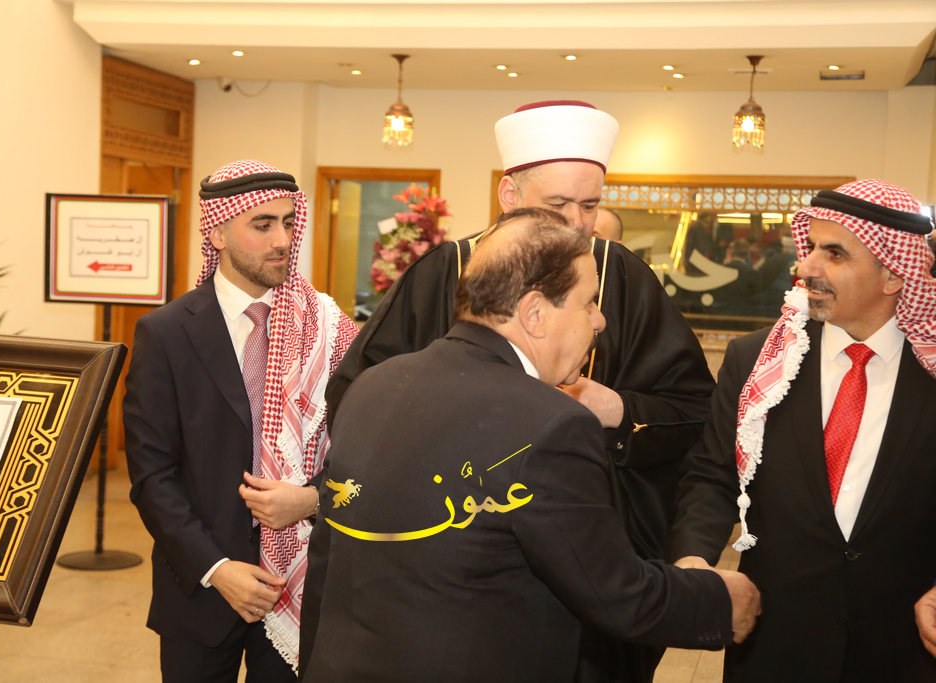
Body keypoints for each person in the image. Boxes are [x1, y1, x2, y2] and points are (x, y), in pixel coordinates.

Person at [325, 99, 715, 682]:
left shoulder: (625, 277)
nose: (577, 223)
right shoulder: (446, 272)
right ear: (509, 195)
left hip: (591, 559)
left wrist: (614, 409)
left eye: (590, 205)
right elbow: (362, 399)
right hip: (452, 555)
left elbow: (695, 412)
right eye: (557, 205)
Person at [668, 179, 936, 681]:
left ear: (893, 274)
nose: (806, 267)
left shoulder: (931, 370)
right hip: (775, 642)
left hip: (905, 649)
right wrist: (692, 561)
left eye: (834, 254)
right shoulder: (756, 360)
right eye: (810, 247)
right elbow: (712, 476)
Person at [123, 160, 358, 682]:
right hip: (201, 589)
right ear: (218, 233)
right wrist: (217, 569)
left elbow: (363, 450)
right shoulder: (165, 333)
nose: (282, 240)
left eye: (288, 223)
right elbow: (152, 475)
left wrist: (312, 498)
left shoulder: (328, 329)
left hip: (301, 579)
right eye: (262, 224)